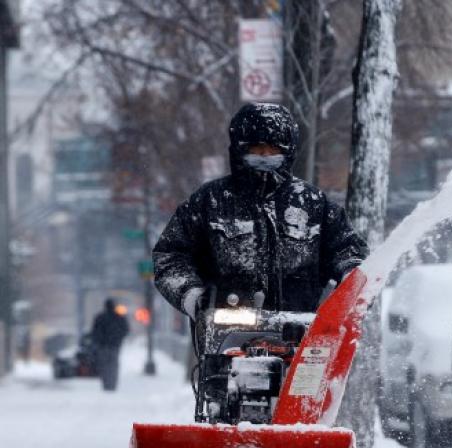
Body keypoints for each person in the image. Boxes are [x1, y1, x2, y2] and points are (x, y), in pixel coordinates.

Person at [153, 102, 368, 325]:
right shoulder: (210, 202)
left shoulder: (313, 204)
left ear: (288, 150)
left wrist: (350, 281)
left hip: (301, 333)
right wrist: (194, 298)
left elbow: (348, 250)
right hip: (226, 336)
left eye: (274, 149)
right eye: (256, 148)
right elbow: (170, 257)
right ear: (239, 149)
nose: (265, 155)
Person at [91, 298, 129, 391]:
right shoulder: (119, 317)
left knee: (104, 365)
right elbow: (125, 330)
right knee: (113, 365)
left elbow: (95, 332)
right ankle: (112, 384)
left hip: (103, 346)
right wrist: (118, 339)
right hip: (114, 346)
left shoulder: (100, 317)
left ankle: (106, 384)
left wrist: (99, 341)